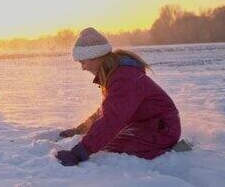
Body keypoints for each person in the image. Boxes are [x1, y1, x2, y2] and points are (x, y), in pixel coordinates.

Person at [55, 28, 181, 166]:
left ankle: (170, 151)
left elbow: (112, 118)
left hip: (162, 129)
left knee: (112, 146)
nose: (83, 68)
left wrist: (78, 153)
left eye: (82, 62)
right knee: (105, 141)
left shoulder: (124, 78)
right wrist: (80, 129)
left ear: (95, 57)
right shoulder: (114, 74)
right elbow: (106, 111)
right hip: (146, 126)